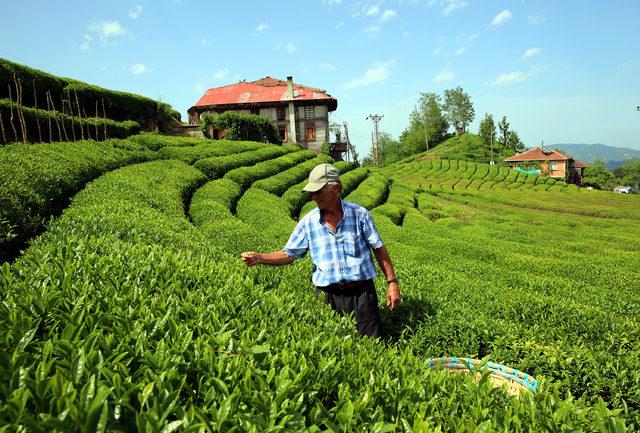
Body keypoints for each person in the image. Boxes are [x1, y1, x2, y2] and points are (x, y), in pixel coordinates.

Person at [241, 163, 400, 338]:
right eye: (311, 193)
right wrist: (260, 257)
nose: (313, 197)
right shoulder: (308, 222)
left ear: (336, 188)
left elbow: (378, 248)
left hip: (362, 294)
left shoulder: (359, 214)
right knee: (333, 347)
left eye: (318, 191)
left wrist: (392, 283)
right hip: (327, 296)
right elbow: (289, 254)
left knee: (372, 345)